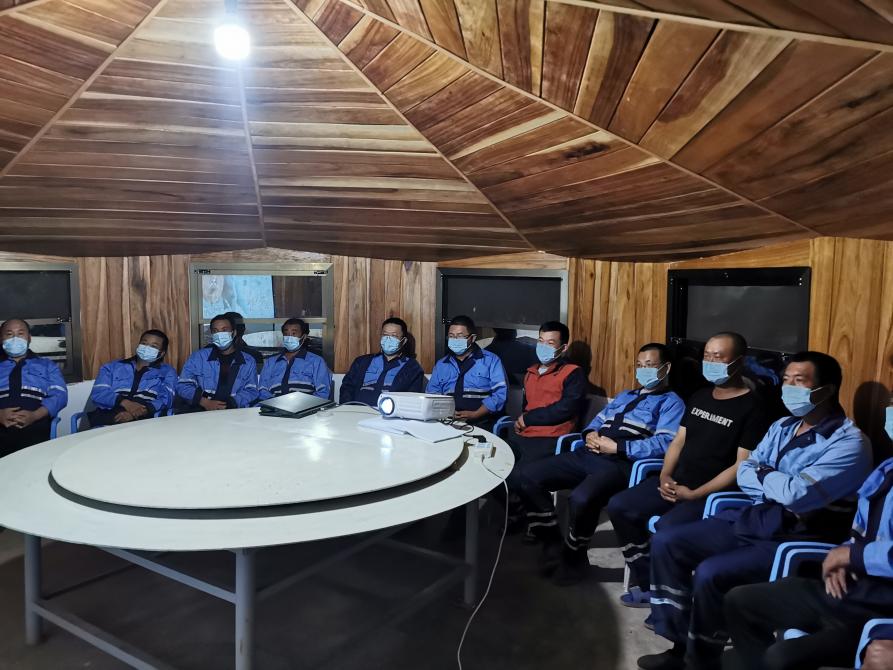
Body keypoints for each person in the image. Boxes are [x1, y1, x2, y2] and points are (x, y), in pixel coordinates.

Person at [641, 352, 873, 670]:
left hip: (795, 535)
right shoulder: (782, 426)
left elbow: (795, 495)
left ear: (827, 390)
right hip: (758, 516)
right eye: (786, 380)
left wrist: (765, 475)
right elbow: (746, 472)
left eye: (799, 381)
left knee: (711, 573)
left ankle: (701, 660)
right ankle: (679, 643)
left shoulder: (849, 443)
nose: (789, 388)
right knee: (668, 542)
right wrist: (770, 479)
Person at [607, 332, 771, 611]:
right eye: (707, 356)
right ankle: (650, 583)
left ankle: (674, 602)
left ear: (739, 361)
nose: (710, 362)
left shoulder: (754, 408)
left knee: (666, 530)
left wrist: (695, 494)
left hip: (710, 494)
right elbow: (678, 441)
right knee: (620, 506)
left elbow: (741, 465)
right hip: (676, 481)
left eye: (718, 357)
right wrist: (664, 475)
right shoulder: (700, 396)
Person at [517, 342, 685, 585]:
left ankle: (574, 557)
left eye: (649, 365)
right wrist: (590, 434)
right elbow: (597, 421)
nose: (643, 370)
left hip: (620, 462)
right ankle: (552, 542)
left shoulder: (672, 403)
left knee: (581, 498)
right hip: (589, 452)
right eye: (639, 365)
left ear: (665, 368)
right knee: (527, 476)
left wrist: (618, 447)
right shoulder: (625, 395)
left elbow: (666, 443)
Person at [722, 442, 893, 670]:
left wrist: (854, 556)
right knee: (740, 601)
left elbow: (796, 494)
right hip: (850, 588)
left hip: (880, 609)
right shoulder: (886, 471)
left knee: (780, 658)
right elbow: (861, 532)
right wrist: (845, 555)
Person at [507, 321, 586, 469]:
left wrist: (528, 418)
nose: (543, 347)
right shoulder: (531, 372)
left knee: (518, 473)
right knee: (495, 460)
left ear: (563, 348)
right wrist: (521, 420)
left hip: (551, 437)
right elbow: (526, 406)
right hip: (525, 432)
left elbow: (566, 409)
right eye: (540, 341)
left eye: (550, 343)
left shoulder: (573, 373)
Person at [427, 315, 507, 431]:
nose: (455, 340)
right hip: (447, 422)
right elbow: (432, 394)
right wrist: (446, 412)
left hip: (482, 422)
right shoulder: (441, 364)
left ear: (472, 338)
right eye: (451, 336)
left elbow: (500, 394)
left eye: (460, 336)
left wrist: (476, 414)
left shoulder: (491, 361)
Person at [0, 318, 68, 456]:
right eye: (9, 334)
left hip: (35, 425)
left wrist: (35, 415)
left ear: (29, 338)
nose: (15, 338)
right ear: (1, 339)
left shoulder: (47, 365)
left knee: (34, 461)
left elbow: (60, 395)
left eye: (20, 333)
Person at [87, 330, 178, 427]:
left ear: (162, 353)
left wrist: (137, 413)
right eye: (144, 343)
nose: (147, 348)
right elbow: (98, 393)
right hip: (108, 418)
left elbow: (166, 399)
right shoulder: (112, 367)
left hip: (145, 422)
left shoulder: (168, 372)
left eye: (153, 346)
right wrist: (125, 403)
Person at [175, 313, 258, 412]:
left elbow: (251, 390)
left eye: (224, 330)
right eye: (215, 331)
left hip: (234, 412)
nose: (219, 335)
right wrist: (204, 402)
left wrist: (231, 403)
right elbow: (183, 386)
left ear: (234, 333)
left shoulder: (248, 361)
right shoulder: (198, 357)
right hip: (201, 412)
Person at [339, 317, 424, 406]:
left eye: (394, 336)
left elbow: (411, 399)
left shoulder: (412, 368)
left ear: (403, 341)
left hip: (389, 414)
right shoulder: (362, 362)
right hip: (357, 411)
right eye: (385, 335)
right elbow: (347, 388)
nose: (388, 339)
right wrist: (348, 409)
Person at [258, 318, 331, 401]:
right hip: (274, 406)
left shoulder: (316, 361)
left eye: (294, 333)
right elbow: (263, 389)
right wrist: (274, 403)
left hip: (307, 406)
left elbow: (323, 392)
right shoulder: (270, 362)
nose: (289, 337)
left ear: (304, 337)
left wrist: (306, 404)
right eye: (286, 333)